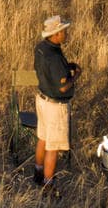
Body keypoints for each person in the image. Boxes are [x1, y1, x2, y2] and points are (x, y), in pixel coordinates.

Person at [33, 14, 79, 197]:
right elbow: (63, 87)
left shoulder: (41, 48)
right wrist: (76, 75)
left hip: (42, 99)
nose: (66, 34)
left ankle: (38, 172)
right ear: (57, 34)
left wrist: (67, 67)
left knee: (43, 138)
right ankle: (48, 184)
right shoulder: (55, 56)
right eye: (64, 31)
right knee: (53, 146)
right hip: (55, 106)